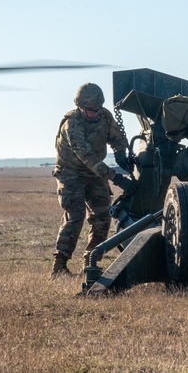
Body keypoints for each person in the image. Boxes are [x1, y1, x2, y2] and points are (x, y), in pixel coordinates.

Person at [50, 82, 135, 279]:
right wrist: (117, 178)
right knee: (75, 216)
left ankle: (91, 264)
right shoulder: (72, 124)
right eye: (90, 110)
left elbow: (117, 137)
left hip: (94, 174)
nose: (94, 114)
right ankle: (59, 266)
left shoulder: (104, 116)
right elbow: (87, 158)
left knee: (102, 217)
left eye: (97, 109)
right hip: (71, 173)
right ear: (80, 106)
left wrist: (121, 154)